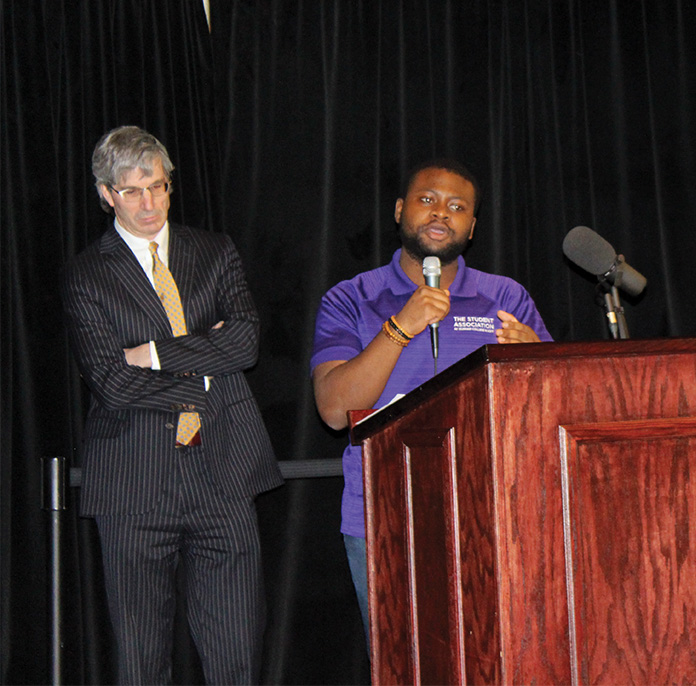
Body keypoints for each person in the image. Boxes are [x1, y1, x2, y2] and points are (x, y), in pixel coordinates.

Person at [62, 126, 283, 684]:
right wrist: (206, 379)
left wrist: (155, 353)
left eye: (158, 187)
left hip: (224, 476)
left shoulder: (214, 250)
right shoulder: (87, 274)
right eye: (132, 191)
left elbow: (246, 341)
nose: (149, 204)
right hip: (134, 482)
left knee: (236, 659)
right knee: (141, 663)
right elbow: (112, 382)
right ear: (106, 193)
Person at [310, 159, 552, 641]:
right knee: (404, 654)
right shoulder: (351, 298)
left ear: (473, 226)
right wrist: (401, 326)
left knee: (501, 650)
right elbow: (335, 410)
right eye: (427, 200)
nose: (442, 214)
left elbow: (553, 408)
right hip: (385, 514)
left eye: (458, 207)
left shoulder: (506, 296)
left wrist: (536, 363)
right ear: (399, 211)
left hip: (498, 510)